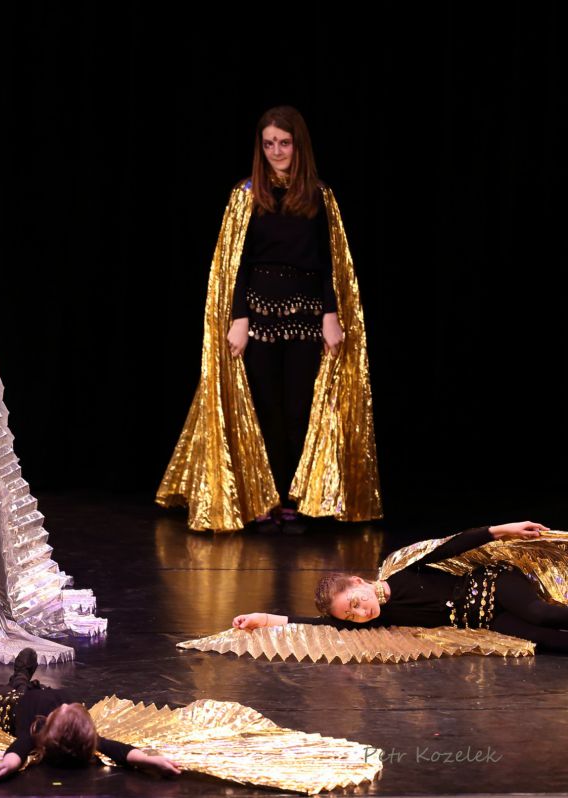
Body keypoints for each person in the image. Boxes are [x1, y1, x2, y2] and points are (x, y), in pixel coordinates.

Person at [158, 106, 381, 532]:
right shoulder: (246, 196)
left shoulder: (319, 196)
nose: (277, 151)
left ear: (299, 146)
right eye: (269, 144)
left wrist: (331, 315)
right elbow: (235, 265)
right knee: (263, 410)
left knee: (299, 409)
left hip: (306, 318)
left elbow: (331, 265)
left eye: (284, 143)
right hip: (258, 317)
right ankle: (263, 499)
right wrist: (238, 318)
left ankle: (292, 499)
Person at [231, 521, 568, 653]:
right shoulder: (382, 619)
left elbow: (451, 545)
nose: (361, 613)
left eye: (355, 603)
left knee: (541, 614)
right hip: (488, 619)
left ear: (359, 582)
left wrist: (502, 530)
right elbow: (314, 624)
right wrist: (263, 619)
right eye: (351, 616)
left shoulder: (402, 570)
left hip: (494, 584)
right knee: (551, 642)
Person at [0, 647, 181, 780]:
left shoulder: (37, 732)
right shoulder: (82, 734)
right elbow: (118, 750)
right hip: (36, 693)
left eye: (62, 711)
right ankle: (21, 676)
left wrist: (10, 763)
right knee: (24, 687)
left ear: (49, 727)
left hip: (11, 706)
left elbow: (19, 748)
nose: (64, 706)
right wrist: (148, 760)